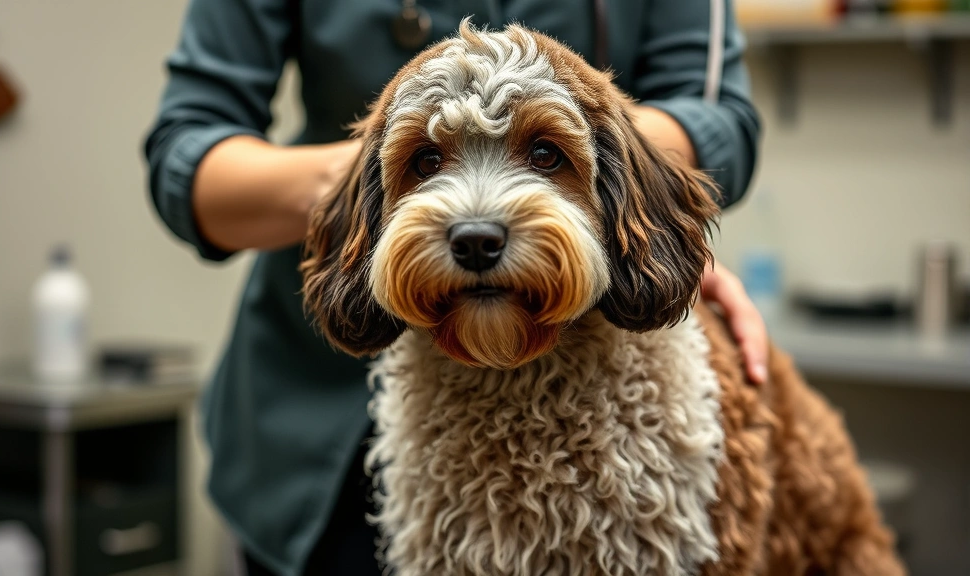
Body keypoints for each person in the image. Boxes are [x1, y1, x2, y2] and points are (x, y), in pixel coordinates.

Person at [143, 1, 765, 574]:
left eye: (544, 157)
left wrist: (636, 223)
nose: (476, 223)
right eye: (426, 164)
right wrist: (372, 190)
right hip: (308, 436)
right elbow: (186, 146)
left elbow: (719, 117)